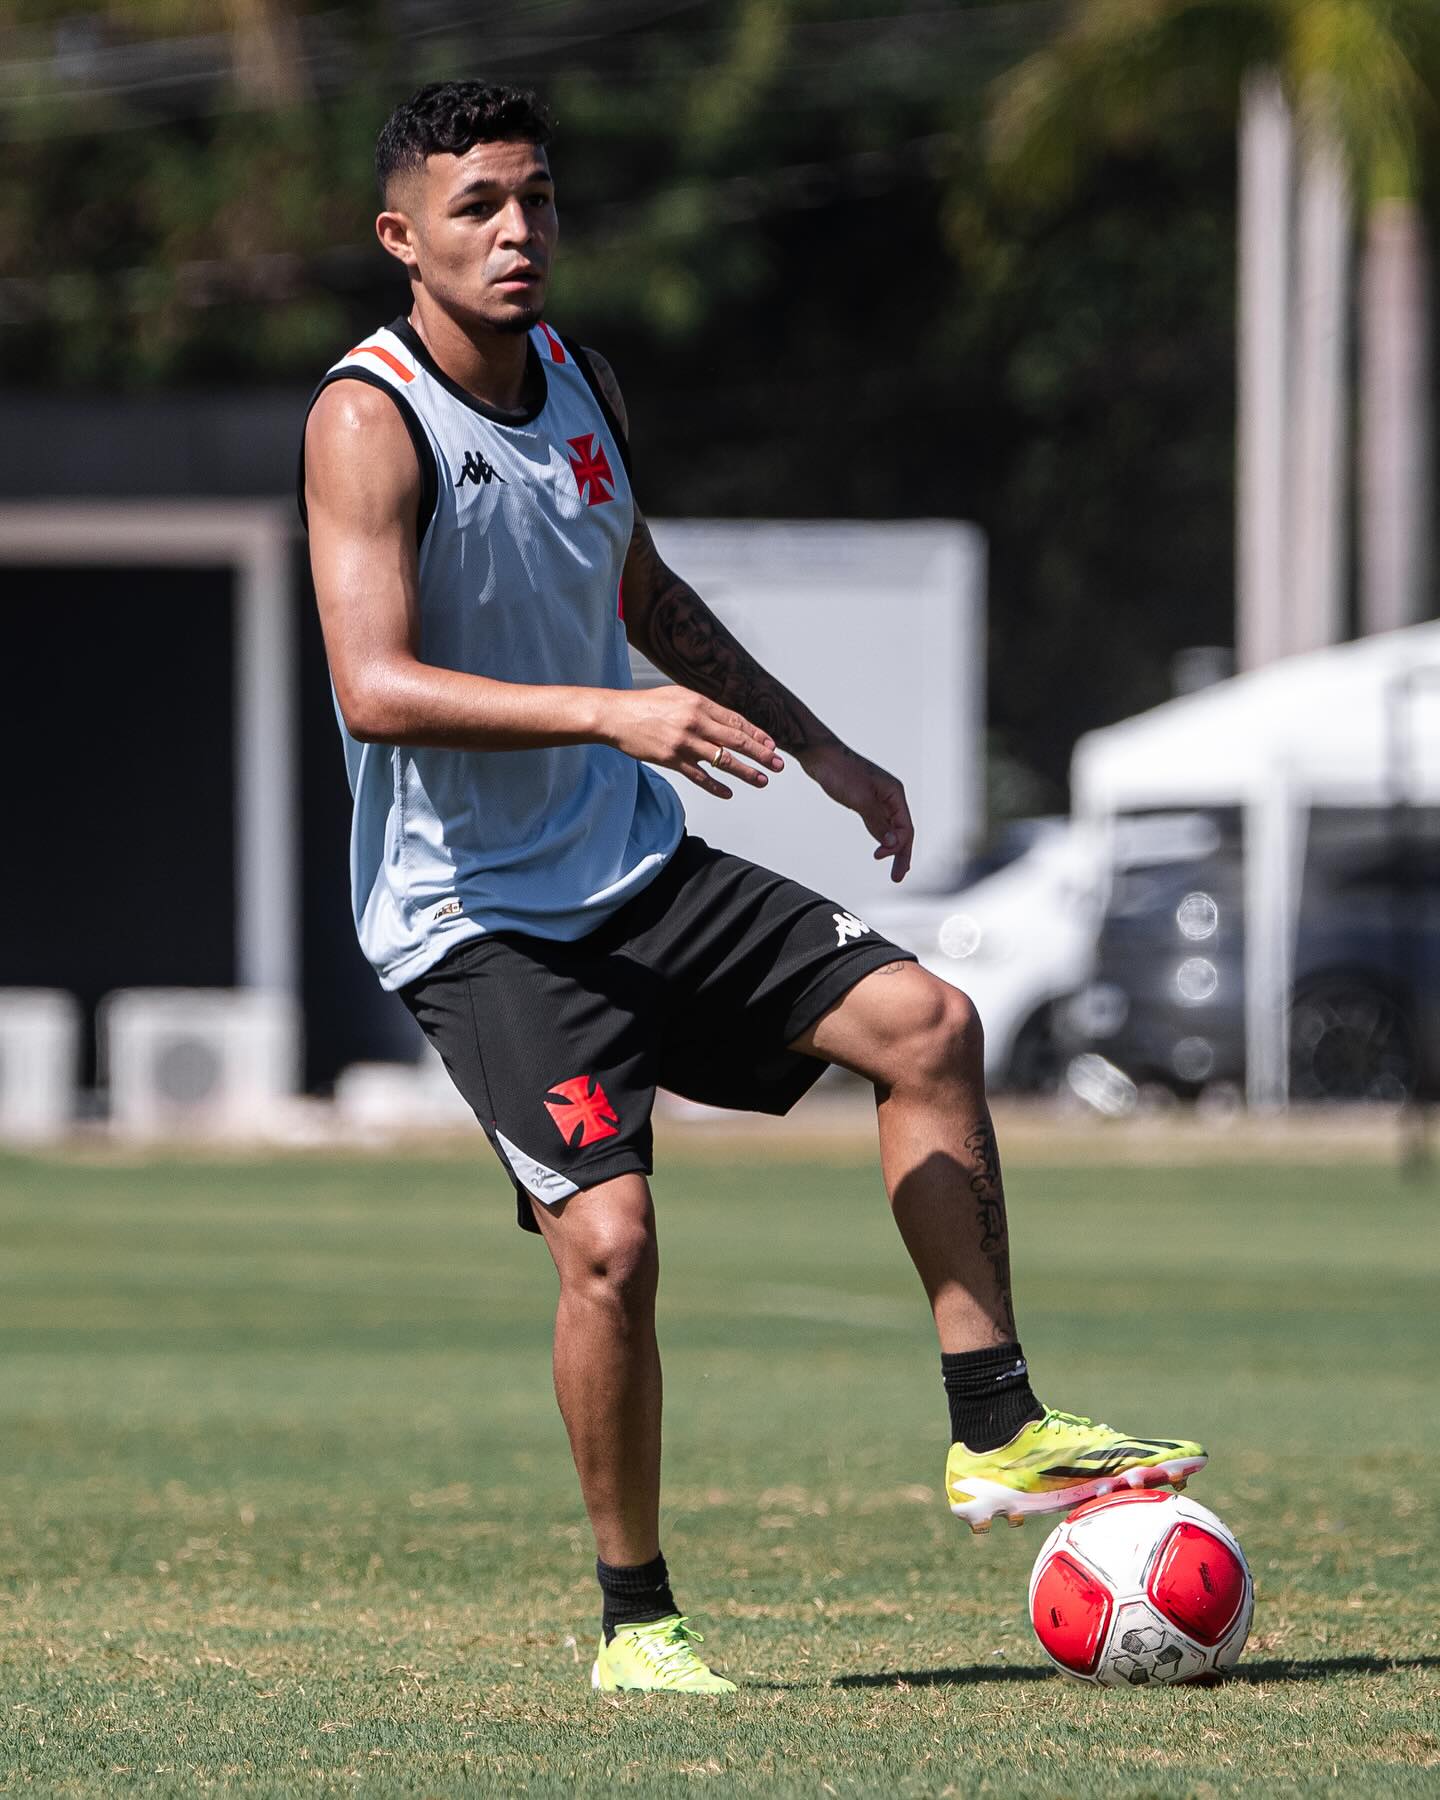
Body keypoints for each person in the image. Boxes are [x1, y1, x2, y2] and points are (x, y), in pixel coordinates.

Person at [299, 79, 1207, 1697]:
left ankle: (996, 1431)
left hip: (634, 864)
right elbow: (371, 684)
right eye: (478, 209)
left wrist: (830, 754)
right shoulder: (367, 421)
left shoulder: (582, 379)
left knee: (928, 1023)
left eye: (538, 200)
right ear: (401, 238)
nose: (518, 234)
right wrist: (610, 713)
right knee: (615, 1248)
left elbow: (642, 589)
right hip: (481, 918)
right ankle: (639, 1624)